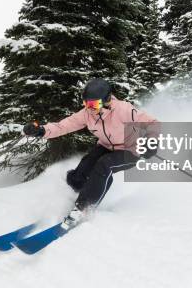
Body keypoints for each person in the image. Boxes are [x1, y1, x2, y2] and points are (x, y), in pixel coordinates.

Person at [23, 78, 158, 230]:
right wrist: (41, 130)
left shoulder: (124, 110)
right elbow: (63, 126)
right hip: (107, 146)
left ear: (107, 100)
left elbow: (153, 123)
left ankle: (84, 207)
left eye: (94, 104)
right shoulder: (87, 114)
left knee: (104, 165)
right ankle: (74, 198)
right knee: (83, 169)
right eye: (87, 103)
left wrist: (151, 143)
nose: (90, 108)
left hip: (131, 149)